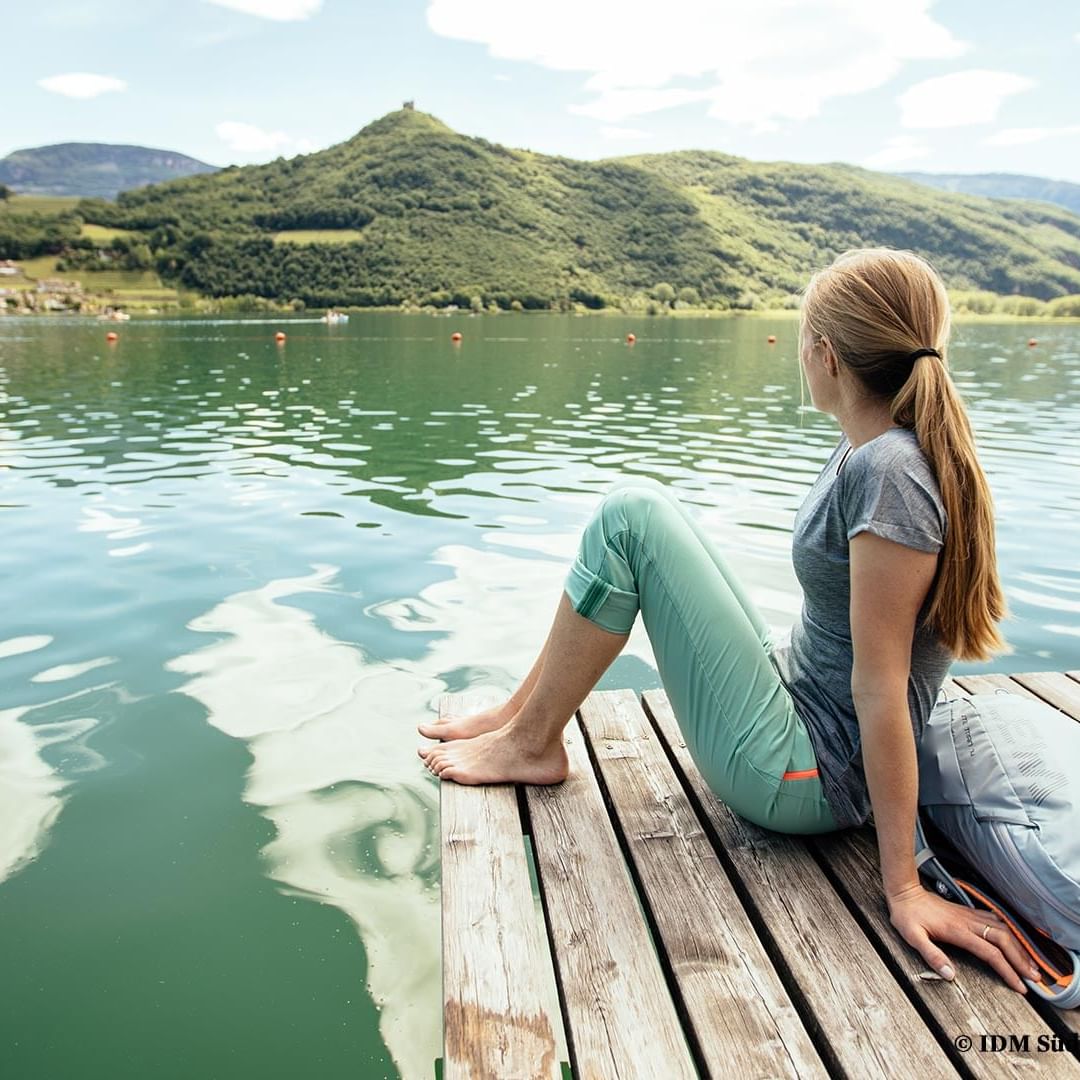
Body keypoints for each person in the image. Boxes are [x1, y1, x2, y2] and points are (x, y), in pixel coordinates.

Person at [417, 247, 1037, 994]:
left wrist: (903, 884)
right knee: (654, 515)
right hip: (798, 701)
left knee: (631, 519)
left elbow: (881, 688)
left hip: (806, 773)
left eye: (803, 340)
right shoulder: (867, 448)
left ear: (826, 354)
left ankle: (530, 741)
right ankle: (522, 717)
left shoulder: (891, 474)